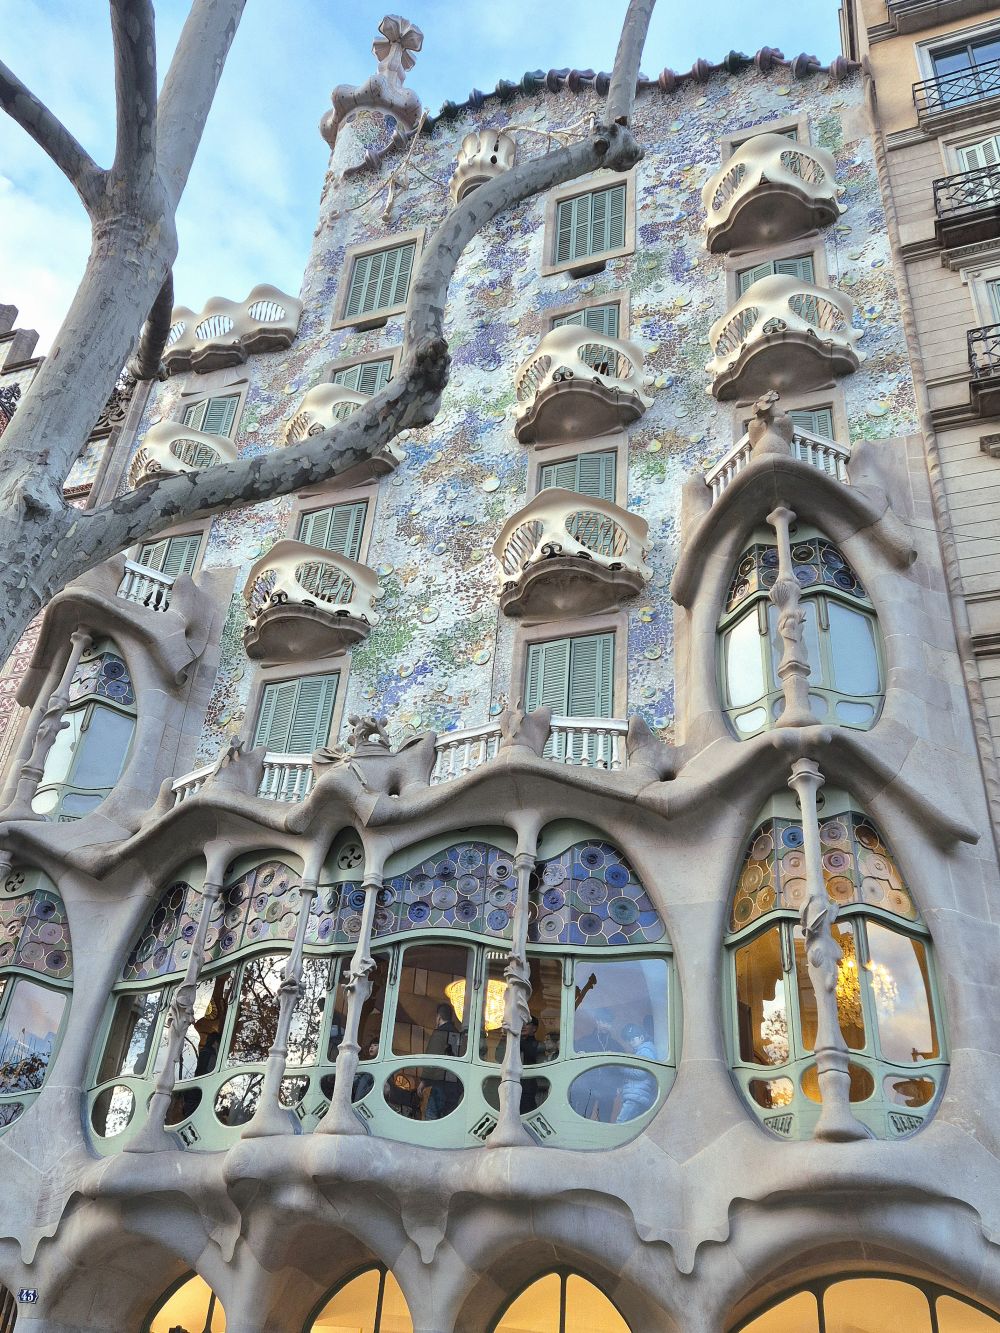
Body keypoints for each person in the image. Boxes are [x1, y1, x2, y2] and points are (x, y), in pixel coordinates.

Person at [570, 1006, 623, 1120]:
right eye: (603, 1021)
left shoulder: (617, 1046)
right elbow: (574, 1064)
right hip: (587, 1087)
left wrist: (618, 1085)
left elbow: (621, 1069)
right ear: (597, 1021)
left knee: (605, 1119)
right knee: (582, 1117)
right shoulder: (584, 1042)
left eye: (608, 1023)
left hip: (608, 1089)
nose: (605, 1025)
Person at [420, 1002, 464, 1119]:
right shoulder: (458, 1035)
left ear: (439, 1017)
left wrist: (424, 1081)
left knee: (431, 1117)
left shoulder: (440, 1033)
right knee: (448, 1119)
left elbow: (432, 1059)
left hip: (440, 1084)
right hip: (455, 1087)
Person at [616, 1024, 659, 1123]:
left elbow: (641, 1072)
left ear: (642, 1038)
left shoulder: (645, 1051)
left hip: (636, 1096)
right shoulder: (639, 1051)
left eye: (633, 1039)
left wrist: (622, 1068)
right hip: (637, 1095)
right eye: (629, 1040)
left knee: (621, 1122)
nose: (630, 1043)